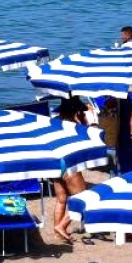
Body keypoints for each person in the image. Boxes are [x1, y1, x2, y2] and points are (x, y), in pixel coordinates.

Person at [50, 97, 91, 242]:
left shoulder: (53, 122)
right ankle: (61, 226)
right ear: (75, 110)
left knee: (61, 199)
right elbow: (87, 140)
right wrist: (83, 121)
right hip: (68, 162)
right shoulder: (74, 126)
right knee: (83, 198)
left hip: (54, 163)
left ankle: (58, 234)